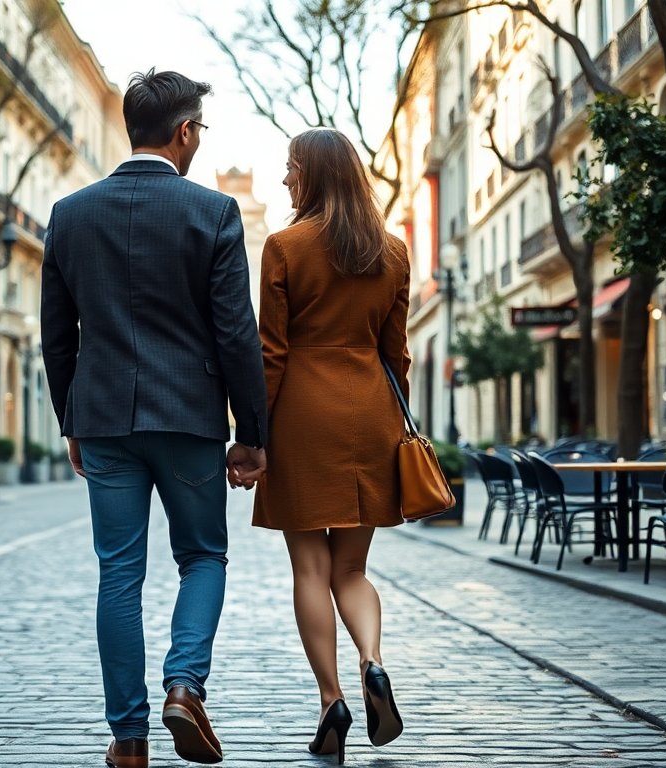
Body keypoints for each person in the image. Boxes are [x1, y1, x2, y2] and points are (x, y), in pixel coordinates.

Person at [41, 69, 268, 768]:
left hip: (105, 417)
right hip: (189, 417)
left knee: (118, 572)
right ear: (185, 132)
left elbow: (57, 335)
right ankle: (184, 685)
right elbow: (236, 334)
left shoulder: (70, 214)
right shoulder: (214, 212)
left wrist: (71, 420)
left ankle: (129, 738)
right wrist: (251, 434)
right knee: (202, 557)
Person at [251, 128, 410, 763]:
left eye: (291, 168)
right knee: (352, 570)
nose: (286, 178)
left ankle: (332, 700)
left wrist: (253, 435)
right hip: (371, 413)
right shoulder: (392, 252)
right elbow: (397, 355)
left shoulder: (284, 246)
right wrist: (396, 426)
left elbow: (270, 352)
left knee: (311, 570)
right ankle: (373, 660)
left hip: (302, 417)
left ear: (313, 174)